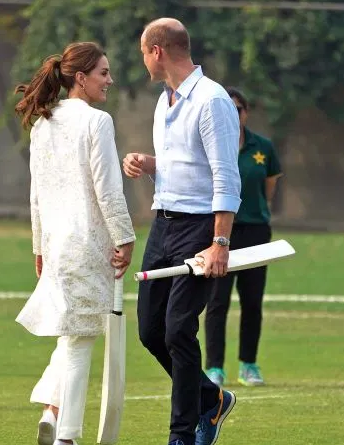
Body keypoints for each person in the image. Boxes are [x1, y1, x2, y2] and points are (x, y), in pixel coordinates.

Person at [122, 18, 241, 445]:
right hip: (163, 225)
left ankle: (182, 435)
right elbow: (182, 163)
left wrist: (220, 243)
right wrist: (147, 163)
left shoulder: (212, 101)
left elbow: (227, 176)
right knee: (151, 331)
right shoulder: (164, 100)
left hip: (200, 229)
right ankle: (212, 400)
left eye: (142, 52)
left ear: (157, 51)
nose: (142, 60)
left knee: (177, 330)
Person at [13, 42, 136, 445]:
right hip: (87, 245)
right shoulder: (96, 122)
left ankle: (52, 411)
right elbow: (108, 188)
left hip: (57, 244)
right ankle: (67, 436)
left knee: (74, 333)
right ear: (80, 78)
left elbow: (35, 195)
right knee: (81, 340)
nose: (110, 80)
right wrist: (126, 236)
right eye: (103, 72)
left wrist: (39, 247)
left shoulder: (42, 123)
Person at [204, 87, 283, 388]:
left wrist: (255, 212)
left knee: (252, 301)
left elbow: (269, 188)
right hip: (220, 231)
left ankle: (249, 364)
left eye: (239, 109)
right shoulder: (211, 144)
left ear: (246, 113)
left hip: (255, 230)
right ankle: (214, 368)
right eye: (228, 108)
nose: (234, 115)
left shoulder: (262, 147)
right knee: (217, 301)